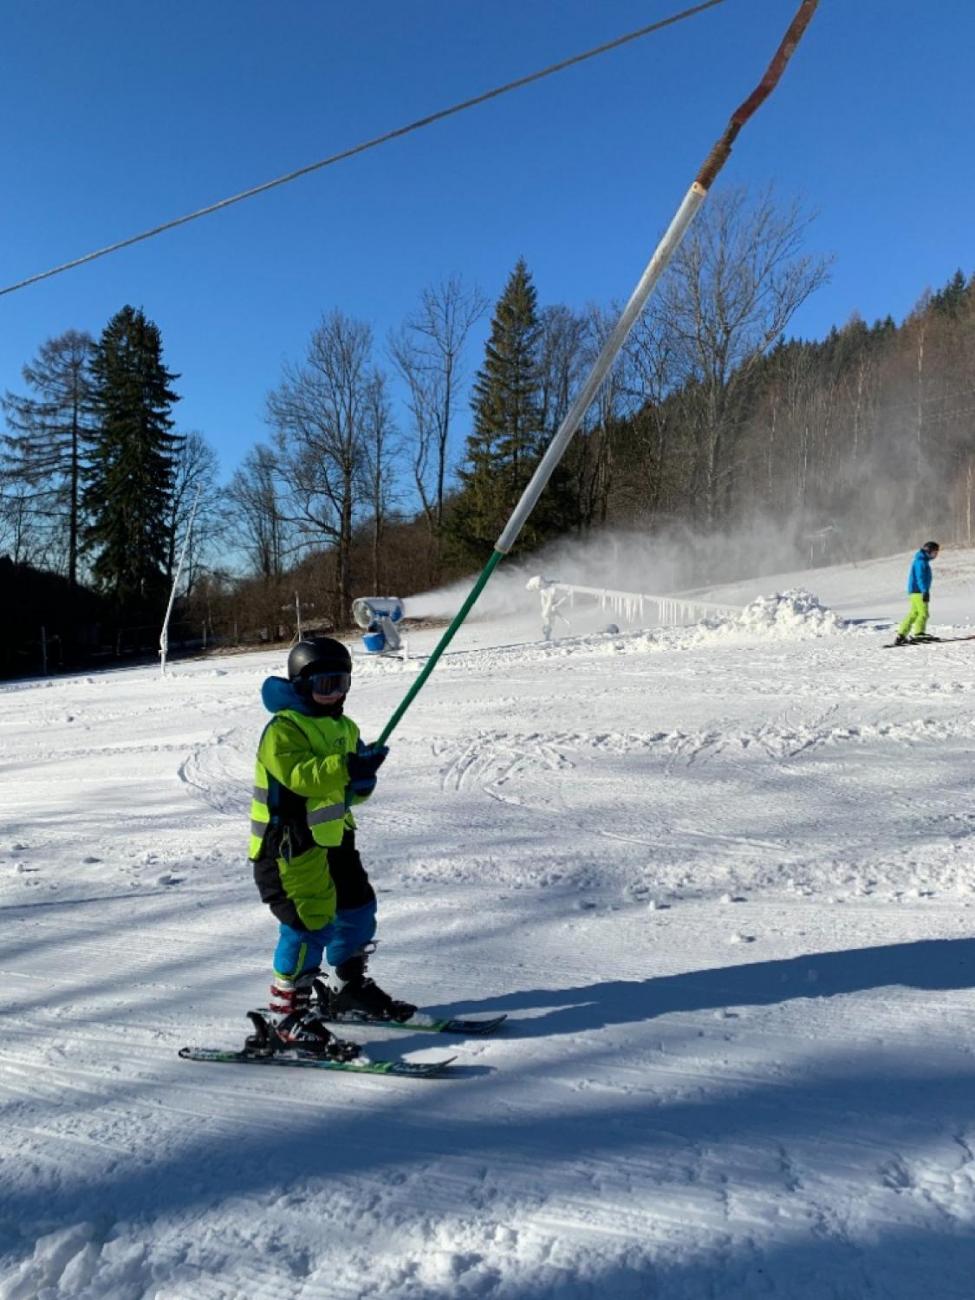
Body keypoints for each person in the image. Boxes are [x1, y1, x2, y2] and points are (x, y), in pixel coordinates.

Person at [247, 635, 416, 1057]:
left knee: (358, 909)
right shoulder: (282, 729)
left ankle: (347, 987)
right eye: (325, 685)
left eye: (342, 683)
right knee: (309, 923)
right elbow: (302, 777)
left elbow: (348, 793)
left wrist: (362, 778)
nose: (335, 693)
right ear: (302, 686)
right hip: (290, 846)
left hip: (335, 838)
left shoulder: (345, 726)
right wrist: (345, 767)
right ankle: (285, 1015)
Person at [894, 540, 940, 645]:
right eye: (934, 552)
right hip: (919, 591)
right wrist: (925, 591)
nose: (936, 555)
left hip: (914, 592)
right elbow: (920, 578)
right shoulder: (921, 562)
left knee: (914, 613)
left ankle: (901, 634)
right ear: (928, 551)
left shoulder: (920, 560)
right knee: (923, 613)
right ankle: (919, 633)